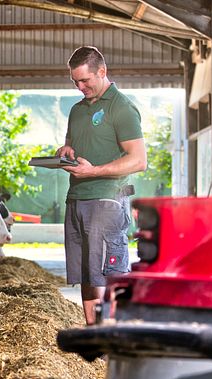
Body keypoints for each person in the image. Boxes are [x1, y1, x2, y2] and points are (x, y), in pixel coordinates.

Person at [55, 46, 147, 325]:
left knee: (109, 274)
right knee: (86, 274)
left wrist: (94, 171)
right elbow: (76, 144)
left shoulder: (122, 107)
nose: (80, 87)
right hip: (77, 198)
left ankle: (115, 337)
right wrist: (67, 150)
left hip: (107, 200)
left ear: (102, 72)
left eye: (85, 80)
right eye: (75, 81)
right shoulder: (77, 110)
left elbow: (138, 160)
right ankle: (93, 332)